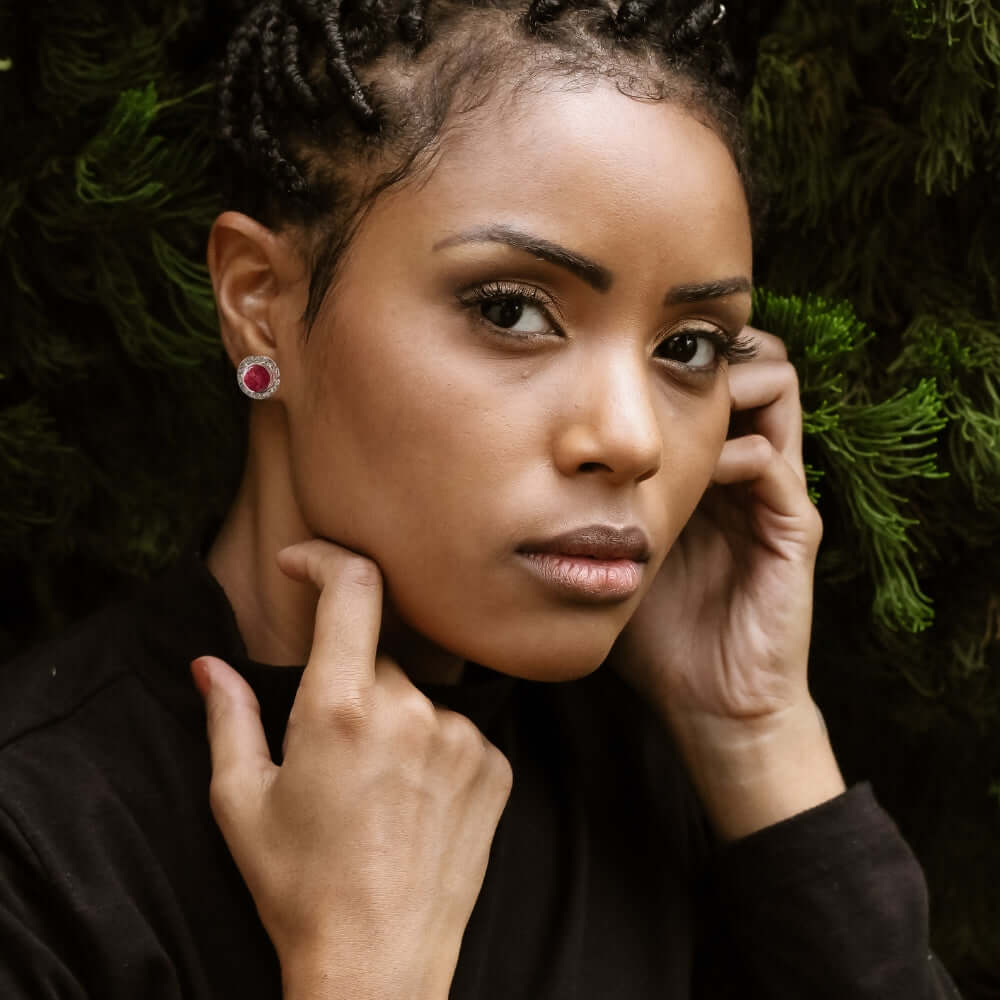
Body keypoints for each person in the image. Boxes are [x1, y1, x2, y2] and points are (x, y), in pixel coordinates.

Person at [0, 0, 964, 997]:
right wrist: (365, 969)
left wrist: (752, 730)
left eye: (688, 347)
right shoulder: (37, 852)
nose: (631, 439)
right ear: (259, 301)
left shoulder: (667, 786)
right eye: (511, 311)